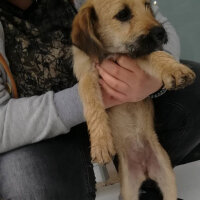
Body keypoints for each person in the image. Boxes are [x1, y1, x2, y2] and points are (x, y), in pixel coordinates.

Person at [0, 0, 199, 199]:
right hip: (33, 132)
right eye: (123, 16)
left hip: (125, 111)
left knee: (195, 87)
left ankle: (144, 189)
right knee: (31, 187)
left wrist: (155, 78)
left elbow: (158, 24)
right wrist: (101, 95)